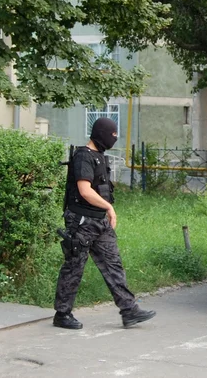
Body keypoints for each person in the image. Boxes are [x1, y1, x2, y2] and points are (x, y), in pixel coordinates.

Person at [53, 118, 156, 330]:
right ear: (100, 134)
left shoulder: (100, 156)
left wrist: (106, 210)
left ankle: (129, 310)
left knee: (113, 264)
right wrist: (109, 208)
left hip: (99, 222)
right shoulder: (83, 156)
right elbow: (85, 190)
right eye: (112, 136)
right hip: (81, 221)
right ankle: (62, 314)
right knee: (74, 267)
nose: (113, 140)